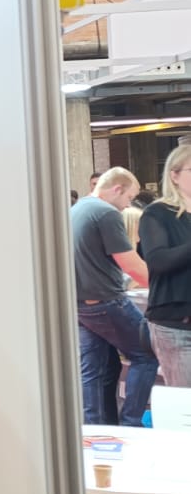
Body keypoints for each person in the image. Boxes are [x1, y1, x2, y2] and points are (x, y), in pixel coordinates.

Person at [71, 168, 157, 427]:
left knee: (93, 370)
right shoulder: (106, 213)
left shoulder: (76, 209)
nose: (128, 205)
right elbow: (131, 265)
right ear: (117, 189)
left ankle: (95, 429)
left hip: (80, 305)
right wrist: (164, 285)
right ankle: (131, 423)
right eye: (129, 198)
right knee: (146, 355)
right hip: (107, 301)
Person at [140, 143, 191, 387]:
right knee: (186, 401)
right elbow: (159, 261)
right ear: (174, 175)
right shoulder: (157, 213)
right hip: (176, 324)